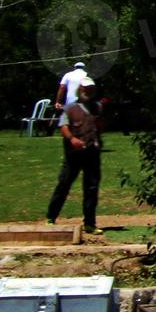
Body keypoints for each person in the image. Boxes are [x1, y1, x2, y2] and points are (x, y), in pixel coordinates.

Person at [46, 77, 104, 235]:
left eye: (91, 89)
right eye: (85, 88)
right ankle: (51, 217)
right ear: (80, 89)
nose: (88, 91)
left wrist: (98, 139)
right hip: (73, 154)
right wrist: (72, 139)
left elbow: (99, 126)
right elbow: (63, 126)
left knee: (91, 188)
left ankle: (90, 223)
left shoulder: (97, 107)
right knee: (64, 184)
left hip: (92, 152)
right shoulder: (70, 108)